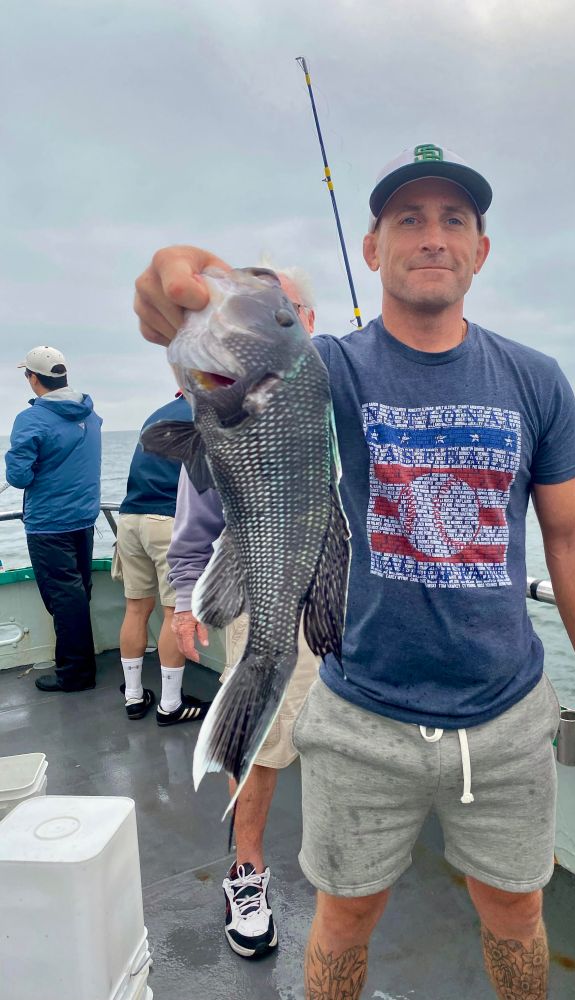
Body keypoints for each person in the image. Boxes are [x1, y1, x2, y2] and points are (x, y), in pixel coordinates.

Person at [134, 144, 575, 1000]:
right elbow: (231, 362)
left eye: (454, 220)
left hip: (508, 715)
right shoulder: (326, 370)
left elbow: (574, 539)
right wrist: (182, 291)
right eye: (408, 219)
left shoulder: (536, 379)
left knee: (516, 913)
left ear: (481, 249)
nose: (432, 236)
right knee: (344, 916)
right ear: (372, 248)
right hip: (359, 712)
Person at [167, 265, 319, 959]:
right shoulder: (233, 395)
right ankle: (247, 872)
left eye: (282, 308)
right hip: (263, 592)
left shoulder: (349, 385)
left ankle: (349, 870)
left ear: (308, 321)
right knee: (260, 742)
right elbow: (197, 509)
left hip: (357, 598)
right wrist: (182, 595)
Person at [4, 346, 102, 693]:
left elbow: (18, 476)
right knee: (77, 593)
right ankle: (79, 665)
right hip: (84, 518)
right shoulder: (90, 414)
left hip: (49, 524)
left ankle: (76, 674)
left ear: (33, 378)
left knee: (63, 597)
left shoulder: (31, 419)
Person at [115, 392, 213, 724]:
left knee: (135, 607)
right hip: (167, 522)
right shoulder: (208, 415)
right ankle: (170, 705)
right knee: (174, 612)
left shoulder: (156, 414)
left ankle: (133, 696)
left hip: (130, 520)